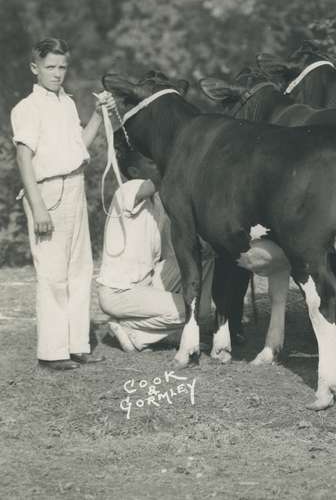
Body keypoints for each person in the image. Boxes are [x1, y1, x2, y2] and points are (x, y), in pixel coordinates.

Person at [11, 38, 116, 371]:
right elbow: (24, 159)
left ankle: (76, 345)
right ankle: (52, 352)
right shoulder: (28, 108)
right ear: (35, 68)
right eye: (50, 67)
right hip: (47, 191)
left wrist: (99, 116)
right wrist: (38, 207)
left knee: (79, 268)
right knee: (53, 273)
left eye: (62, 67)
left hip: (74, 187)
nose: (57, 74)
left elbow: (78, 147)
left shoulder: (67, 104)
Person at [98, 137, 214, 352]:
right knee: (194, 310)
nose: (158, 164)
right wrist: (185, 156)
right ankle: (133, 328)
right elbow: (161, 180)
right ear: (134, 171)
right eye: (151, 163)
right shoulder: (127, 191)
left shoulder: (157, 203)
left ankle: (141, 335)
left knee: (204, 261)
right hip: (119, 292)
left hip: (147, 282)